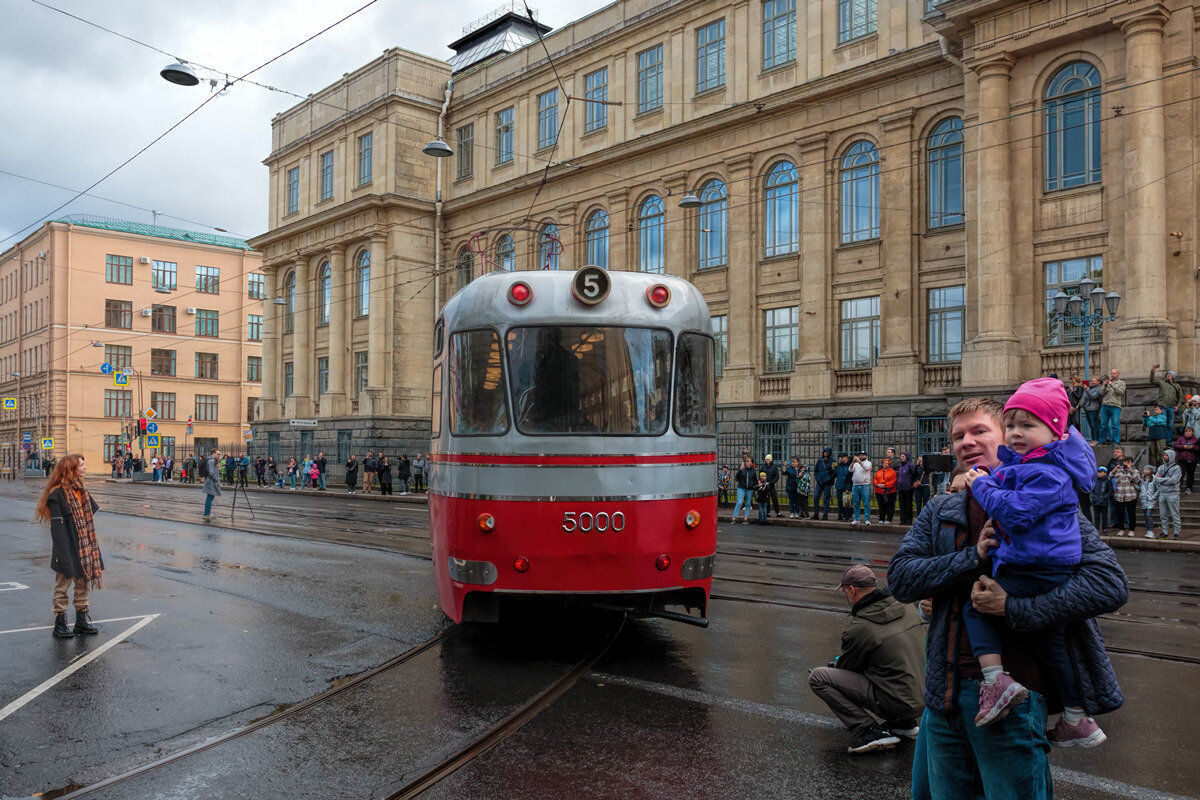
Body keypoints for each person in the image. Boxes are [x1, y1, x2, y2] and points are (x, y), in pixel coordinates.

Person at [890, 396, 1127, 800]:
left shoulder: (1048, 502)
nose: (966, 442)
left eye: (979, 431)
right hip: (943, 696)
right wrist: (970, 558)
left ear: (1008, 437)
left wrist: (1014, 607)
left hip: (1016, 701)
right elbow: (900, 578)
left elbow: (1108, 583)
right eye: (957, 436)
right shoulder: (942, 509)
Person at [962, 378, 1107, 743]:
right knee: (1051, 645)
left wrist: (980, 485)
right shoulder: (1033, 465)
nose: (1015, 433)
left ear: (1056, 431)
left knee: (976, 606)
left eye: (1028, 425)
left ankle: (997, 682)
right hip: (1041, 564)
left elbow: (1016, 513)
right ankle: (1076, 717)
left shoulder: (1049, 471)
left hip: (1037, 566)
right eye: (1011, 425)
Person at [808, 564, 925, 754]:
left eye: (845, 591)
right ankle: (904, 723)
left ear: (852, 590)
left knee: (819, 677)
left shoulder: (860, 626)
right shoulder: (905, 605)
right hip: (922, 697)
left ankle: (870, 730)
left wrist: (834, 667)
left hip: (896, 702)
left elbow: (849, 668)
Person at [36, 454, 103, 639]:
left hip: (83, 546)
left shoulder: (81, 489)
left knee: (82, 583)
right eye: (81, 465)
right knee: (62, 586)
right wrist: (63, 555)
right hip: (66, 546)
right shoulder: (57, 494)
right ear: (71, 469)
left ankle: (81, 622)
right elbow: (57, 531)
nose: (85, 468)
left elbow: (88, 515)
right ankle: (60, 623)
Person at [1154, 449, 1182, 540]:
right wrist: (1166, 479)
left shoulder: (1177, 468)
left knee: (1175, 514)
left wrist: (1162, 479)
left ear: (1171, 456)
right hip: (1162, 493)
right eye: (1164, 455)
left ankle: (1176, 532)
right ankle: (1165, 531)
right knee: (1163, 514)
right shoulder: (1161, 467)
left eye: (1167, 455)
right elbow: (1156, 479)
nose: (1165, 457)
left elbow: (1174, 480)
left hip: (1172, 493)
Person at [1110, 457, 1140, 537]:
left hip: (1130, 495)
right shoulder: (1118, 470)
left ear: (1131, 463)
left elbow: (1137, 480)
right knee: (1120, 514)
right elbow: (1110, 477)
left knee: (1131, 514)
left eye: (1128, 462)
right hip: (1119, 495)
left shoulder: (1135, 471)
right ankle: (1121, 529)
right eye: (1125, 462)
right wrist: (1114, 470)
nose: (1126, 464)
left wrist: (1131, 470)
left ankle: (1131, 530)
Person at [1150, 365, 1184, 434]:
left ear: (1173, 377)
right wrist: (1152, 371)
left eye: (1170, 374)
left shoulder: (1177, 386)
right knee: (1162, 423)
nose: (1168, 375)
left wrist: (1178, 406)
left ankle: (1168, 442)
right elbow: (1152, 381)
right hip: (1163, 407)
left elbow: (1180, 397)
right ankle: (1162, 441)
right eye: (1167, 374)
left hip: (1172, 408)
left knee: (1170, 425)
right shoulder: (1162, 383)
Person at [1099, 369, 1125, 445]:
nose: (1113, 375)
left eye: (1114, 373)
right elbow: (1101, 393)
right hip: (1105, 405)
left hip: (1115, 406)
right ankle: (1102, 441)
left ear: (1118, 374)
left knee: (1115, 425)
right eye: (1112, 373)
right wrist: (1105, 385)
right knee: (1103, 425)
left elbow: (1121, 392)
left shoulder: (1121, 383)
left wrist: (1111, 385)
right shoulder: (1107, 382)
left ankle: (1115, 441)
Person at [896, 452, 923, 525]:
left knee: (908, 504)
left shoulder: (910, 465)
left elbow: (914, 473)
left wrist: (911, 484)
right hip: (901, 487)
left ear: (907, 457)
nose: (902, 458)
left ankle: (908, 520)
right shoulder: (900, 465)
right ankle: (902, 520)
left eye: (903, 456)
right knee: (902, 504)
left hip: (908, 488)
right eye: (901, 456)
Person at [1087, 466, 1112, 537]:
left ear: (1105, 473)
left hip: (1104, 502)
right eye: (1098, 472)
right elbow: (1092, 490)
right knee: (1096, 516)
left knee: (1104, 516)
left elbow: (1109, 491)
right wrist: (1093, 496)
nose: (1098, 473)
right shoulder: (1095, 481)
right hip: (1096, 501)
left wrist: (1105, 497)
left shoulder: (1107, 481)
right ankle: (1096, 528)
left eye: (1100, 472)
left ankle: (1104, 529)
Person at [1173, 426, 1198, 494]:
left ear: (1193, 432)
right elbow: (1175, 446)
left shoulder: (1196, 440)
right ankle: (1178, 487)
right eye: (1186, 431)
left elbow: (1198, 448)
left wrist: (1192, 447)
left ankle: (1188, 488)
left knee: (1190, 474)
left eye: (1189, 431)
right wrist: (1183, 446)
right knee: (1181, 473)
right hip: (1182, 459)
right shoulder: (1181, 438)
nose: (1187, 432)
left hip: (1192, 459)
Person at [850, 452, 872, 525]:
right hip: (855, 485)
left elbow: (866, 468)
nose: (861, 456)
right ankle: (856, 519)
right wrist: (853, 462)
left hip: (865, 485)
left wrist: (859, 461)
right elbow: (850, 469)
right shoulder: (856, 464)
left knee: (866, 503)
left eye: (863, 455)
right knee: (856, 503)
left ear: (866, 456)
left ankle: (867, 519)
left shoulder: (868, 463)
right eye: (860, 455)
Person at [732, 455, 756, 524]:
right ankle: (734, 517)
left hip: (749, 489)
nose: (747, 463)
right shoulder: (742, 469)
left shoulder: (753, 471)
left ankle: (745, 518)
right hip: (741, 487)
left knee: (748, 503)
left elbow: (755, 480)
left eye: (748, 462)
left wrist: (754, 486)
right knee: (739, 502)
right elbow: (736, 478)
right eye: (746, 462)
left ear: (751, 463)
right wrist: (740, 470)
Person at [814, 446, 835, 521]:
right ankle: (816, 514)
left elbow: (834, 472)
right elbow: (816, 470)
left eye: (827, 452)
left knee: (826, 499)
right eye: (824, 452)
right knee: (816, 497)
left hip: (827, 482)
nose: (825, 453)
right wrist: (817, 477)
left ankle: (825, 515)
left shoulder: (833, 461)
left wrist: (829, 478)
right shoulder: (820, 460)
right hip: (820, 482)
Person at [873, 458, 898, 523]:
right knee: (881, 505)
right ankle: (881, 518)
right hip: (879, 491)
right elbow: (875, 479)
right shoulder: (879, 471)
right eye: (884, 463)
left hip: (890, 492)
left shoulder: (892, 472)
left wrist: (885, 485)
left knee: (890, 505)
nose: (884, 464)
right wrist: (878, 484)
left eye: (886, 463)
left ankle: (889, 519)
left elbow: (893, 481)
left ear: (889, 464)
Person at [1080, 377, 1104, 444]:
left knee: (1094, 424)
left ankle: (1096, 439)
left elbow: (1093, 397)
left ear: (1098, 382)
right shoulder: (1091, 388)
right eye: (1092, 381)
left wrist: (1087, 390)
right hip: (1088, 408)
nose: (1092, 382)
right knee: (1091, 425)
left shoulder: (1099, 389)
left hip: (1094, 409)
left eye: (1094, 381)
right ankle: (1093, 439)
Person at [1140, 466, 1160, 539]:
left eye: (1147, 469)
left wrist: (1153, 497)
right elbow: (1140, 487)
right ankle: (1148, 530)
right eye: (1144, 469)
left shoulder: (1154, 478)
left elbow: (1158, 489)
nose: (1145, 471)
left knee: (1148, 515)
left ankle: (1151, 531)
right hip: (1143, 499)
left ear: (1150, 471)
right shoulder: (1142, 478)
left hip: (1151, 500)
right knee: (1145, 516)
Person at [202, 449, 221, 520]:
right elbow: (211, 472)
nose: (219, 456)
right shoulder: (211, 461)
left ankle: (207, 513)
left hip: (211, 481)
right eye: (218, 454)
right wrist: (216, 479)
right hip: (211, 482)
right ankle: (206, 514)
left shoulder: (212, 460)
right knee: (209, 498)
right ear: (213, 453)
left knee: (210, 497)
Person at [835, 453, 853, 522]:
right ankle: (840, 516)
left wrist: (848, 488)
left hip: (846, 487)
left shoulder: (849, 466)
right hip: (839, 486)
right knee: (840, 503)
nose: (841, 458)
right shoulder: (839, 466)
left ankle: (847, 516)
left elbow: (850, 479)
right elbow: (835, 472)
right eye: (840, 457)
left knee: (847, 503)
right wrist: (837, 464)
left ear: (846, 458)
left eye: (842, 457)